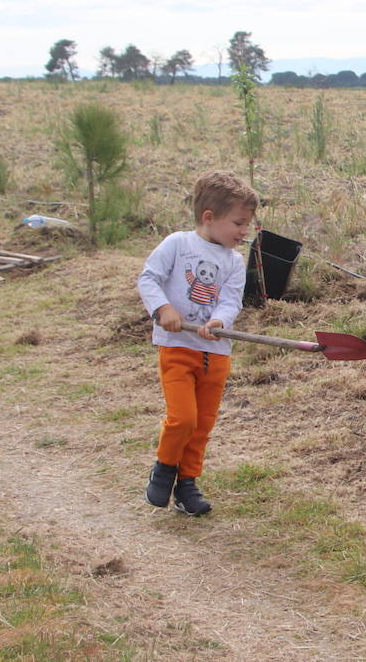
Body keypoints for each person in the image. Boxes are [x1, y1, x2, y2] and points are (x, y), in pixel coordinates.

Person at [137, 171, 258, 515]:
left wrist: (219, 321)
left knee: (203, 424)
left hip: (215, 353)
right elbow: (149, 279)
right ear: (209, 217)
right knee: (183, 419)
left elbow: (231, 301)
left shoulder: (234, 262)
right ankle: (164, 467)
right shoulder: (178, 244)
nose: (244, 231)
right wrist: (163, 308)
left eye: (247, 224)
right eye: (238, 223)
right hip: (177, 348)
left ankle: (187, 484)